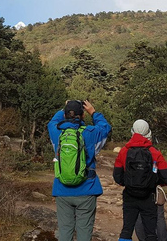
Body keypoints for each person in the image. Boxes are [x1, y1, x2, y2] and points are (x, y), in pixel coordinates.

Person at [47, 99, 112, 241]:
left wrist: (64, 108)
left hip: (62, 190)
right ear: (83, 116)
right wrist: (93, 112)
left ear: (64, 115)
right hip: (87, 190)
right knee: (84, 233)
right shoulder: (91, 133)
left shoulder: (56, 132)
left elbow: (51, 122)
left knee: (65, 232)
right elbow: (106, 127)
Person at [113, 119, 167, 241]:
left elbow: (117, 176)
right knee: (150, 232)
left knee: (126, 230)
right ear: (148, 133)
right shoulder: (154, 152)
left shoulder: (124, 151)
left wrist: (128, 182)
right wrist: (153, 182)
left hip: (129, 196)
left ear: (132, 132)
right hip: (148, 196)